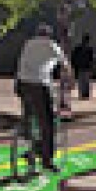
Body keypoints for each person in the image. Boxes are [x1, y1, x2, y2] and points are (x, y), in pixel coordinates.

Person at [15, 23, 69, 172]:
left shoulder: (28, 44)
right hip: (40, 85)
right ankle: (47, 159)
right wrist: (70, 80)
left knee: (29, 114)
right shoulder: (51, 45)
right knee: (47, 122)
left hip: (22, 83)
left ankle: (30, 144)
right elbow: (65, 64)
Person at [72, 35, 94, 101]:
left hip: (81, 67)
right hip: (84, 67)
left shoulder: (78, 48)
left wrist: (74, 65)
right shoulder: (89, 49)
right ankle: (85, 95)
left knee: (82, 82)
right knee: (85, 81)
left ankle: (83, 94)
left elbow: (74, 57)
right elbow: (91, 60)